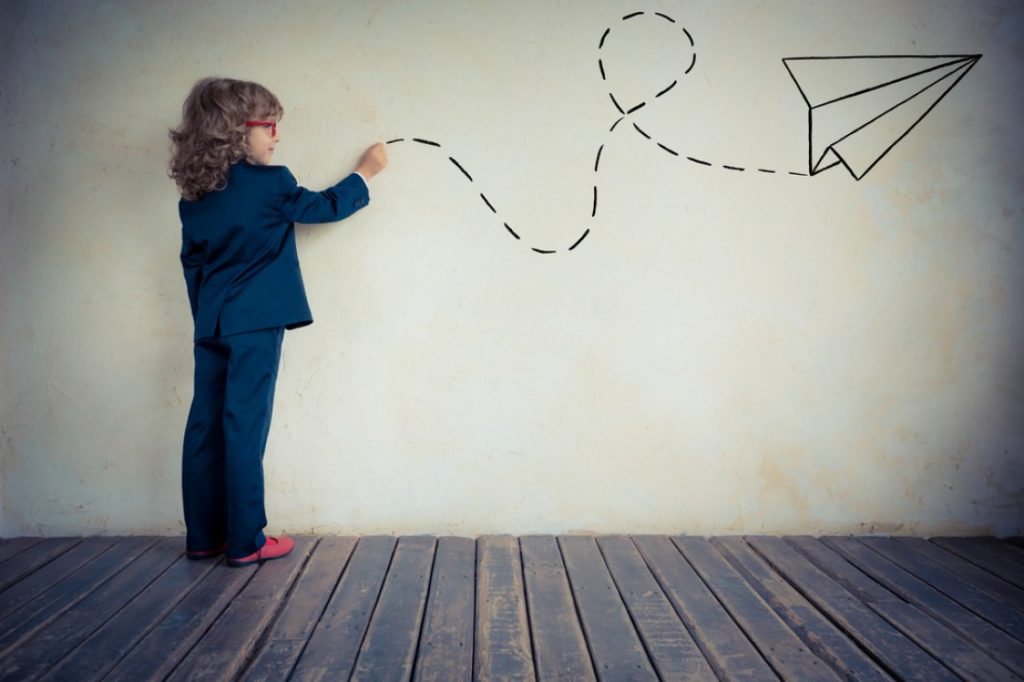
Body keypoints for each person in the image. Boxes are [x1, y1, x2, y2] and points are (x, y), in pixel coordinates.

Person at [167, 77, 388, 567]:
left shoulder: (194, 198)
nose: (277, 136)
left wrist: (207, 320)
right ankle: (247, 540)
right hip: (256, 324)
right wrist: (366, 173)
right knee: (244, 426)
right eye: (268, 126)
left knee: (204, 425)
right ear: (236, 131)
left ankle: (203, 537)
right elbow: (323, 207)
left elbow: (192, 264)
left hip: (211, 324)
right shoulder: (272, 183)